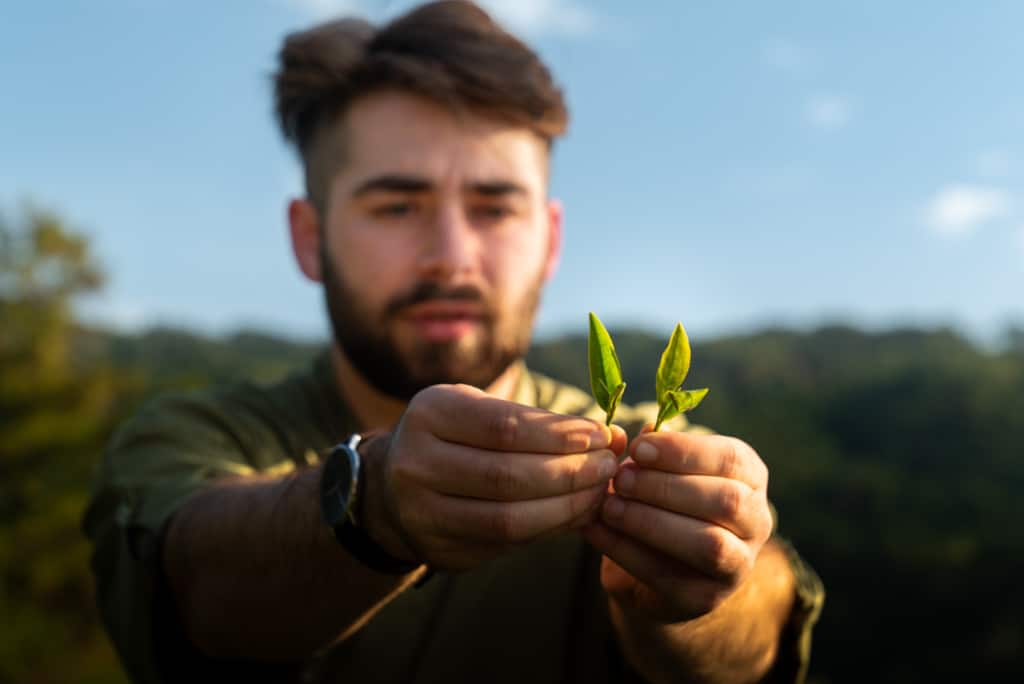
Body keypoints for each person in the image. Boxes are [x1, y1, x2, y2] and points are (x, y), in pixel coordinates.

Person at [83, 2, 823, 682]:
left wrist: (712, 579)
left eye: (494, 208)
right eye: (397, 205)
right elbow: (198, 581)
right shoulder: (200, 437)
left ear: (550, 240)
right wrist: (369, 504)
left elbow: (757, 634)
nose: (451, 256)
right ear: (310, 239)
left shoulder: (633, 450)